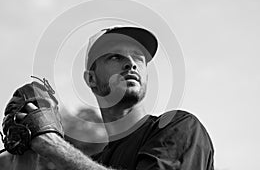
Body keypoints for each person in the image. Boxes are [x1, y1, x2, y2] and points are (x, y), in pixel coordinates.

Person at [13, 26, 214, 170]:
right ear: (91, 79)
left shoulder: (181, 128)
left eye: (138, 57)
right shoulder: (94, 161)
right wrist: (26, 150)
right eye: (115, 57)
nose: (131, 64)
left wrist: (52, 146)